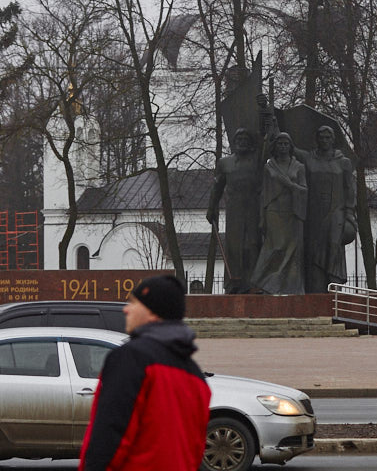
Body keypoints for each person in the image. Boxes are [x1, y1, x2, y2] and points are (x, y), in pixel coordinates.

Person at [78, 275, 211, 471]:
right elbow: (195, 450)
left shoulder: (131, 358)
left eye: (133, 302)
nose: (126, 309)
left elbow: (110, 434)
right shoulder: (197, 376)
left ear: (153, 313)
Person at [297, 125, 357, 294]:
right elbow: (288, 146)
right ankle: (315, 290)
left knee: (333, 248)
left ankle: (334, 287)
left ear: (333, 140)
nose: (324, 140)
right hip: (313, 214)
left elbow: (349, 190)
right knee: (314, 252)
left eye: (327, 137)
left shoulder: (343, 162)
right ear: (317, 140)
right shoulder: (309, 159)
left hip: (335, 213)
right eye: (321, 137)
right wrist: (270, 119)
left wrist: (350, 213)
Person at [206, 128, 264, 293]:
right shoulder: (225, 163)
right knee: (234, 246)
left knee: (253, 244)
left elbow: (268, 142)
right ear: (234, 142)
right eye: (239, 139)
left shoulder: (256, 161)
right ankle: (233, 283)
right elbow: (216, 187)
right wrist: (212, 208)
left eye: (246, 139)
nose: (242, 142)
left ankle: (254, 283)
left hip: (254, 208)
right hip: (234, 210)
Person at [250, 133, 307, 294]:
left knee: (292, 249)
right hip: (274, 211)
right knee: (274, 247)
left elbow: (304, 190)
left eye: (286, 144)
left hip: (292, 212)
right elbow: (263, 194)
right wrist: (262, 217)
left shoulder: (299, 167)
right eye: (280, 144)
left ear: (290, 146)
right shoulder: (269, 167)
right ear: (275, 147)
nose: (283, 147)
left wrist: (291, 185)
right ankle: (264, 281)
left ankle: (291, 284)